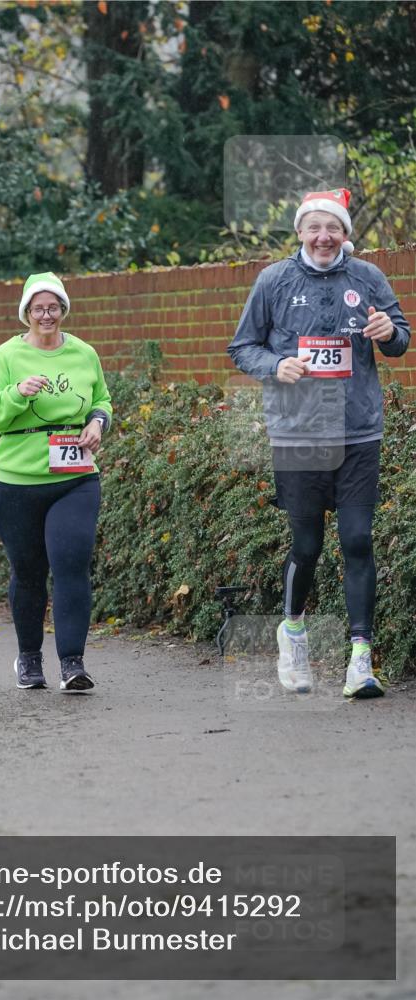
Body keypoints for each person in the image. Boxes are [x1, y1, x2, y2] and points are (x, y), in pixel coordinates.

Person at [228, 188, 410, 699]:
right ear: (300, 232)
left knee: (357, 540)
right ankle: (292, 634)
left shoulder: (368, 277)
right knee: (307, 545)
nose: (324, 237)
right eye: (315, 227)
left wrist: (387, 332)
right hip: (298, 432)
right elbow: (242, 346)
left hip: (358, 431)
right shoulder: (274, 280)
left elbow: (400, 339)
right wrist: (276, 365)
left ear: (345, 233)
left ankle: (360, 660)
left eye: (333, 228)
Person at [0, 272, 112, 692]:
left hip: (75, 478)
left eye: (53, 307)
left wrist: (97, 422)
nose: (46, 315)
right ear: (26, 313)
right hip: (16, 482)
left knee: (71, 565)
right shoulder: (8, 355)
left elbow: (102, 399)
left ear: (63, 310)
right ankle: (29, 659)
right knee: (29, 572)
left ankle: (72, 663)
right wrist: (17, 392)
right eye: (38, 308)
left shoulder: (84, 353)